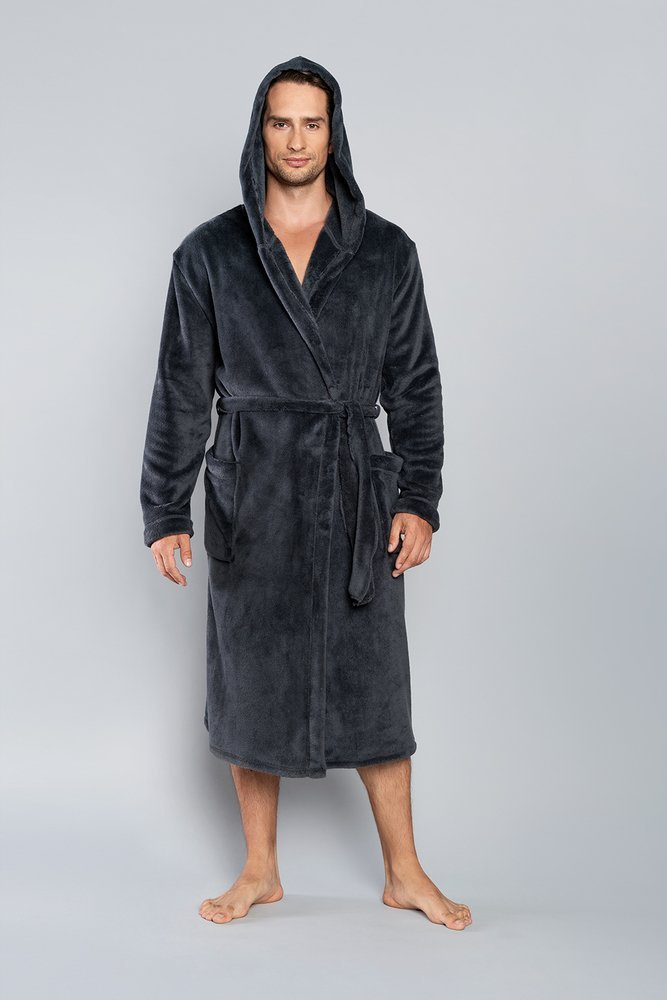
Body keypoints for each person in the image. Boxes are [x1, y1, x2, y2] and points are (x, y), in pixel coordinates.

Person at [140, 55, 472, 930]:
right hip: (252, 490)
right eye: (280, 122)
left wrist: (418, 496)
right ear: (261, 131)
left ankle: (404, 871)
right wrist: (165, 508)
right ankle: (259, 870)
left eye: (311, 123)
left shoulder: (385, 250)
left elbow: (416, 386)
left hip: (355, 488)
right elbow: (181, 389)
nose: (296, 140)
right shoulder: (211, 252)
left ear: (334, 133)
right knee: (250, 677)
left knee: (375, 683)